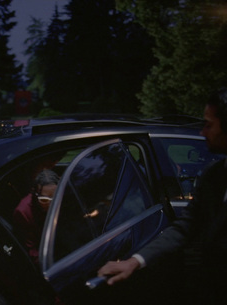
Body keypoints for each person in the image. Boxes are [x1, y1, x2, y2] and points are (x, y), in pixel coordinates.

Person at [97, 87, 227, 304]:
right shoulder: (213, 176)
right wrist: (134, 262)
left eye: (209, 125)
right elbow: (186, 227)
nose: (202, 132)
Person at [13, 169, 60, 264]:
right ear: (35, 193)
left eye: (55, 198)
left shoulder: (62, 198)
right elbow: (31, 249)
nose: (51, 204)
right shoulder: (23, 212)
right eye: (44, 200)